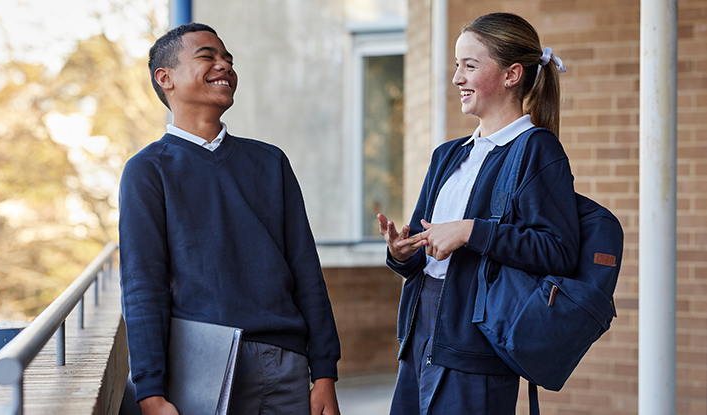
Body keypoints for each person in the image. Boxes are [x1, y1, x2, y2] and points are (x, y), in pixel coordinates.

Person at [118, 22, 341, 415]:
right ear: (164, 78)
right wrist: (150, 392)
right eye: (208, 56)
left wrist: (324, 373)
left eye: (228, 59)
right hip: (203, 367)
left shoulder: (270, 162)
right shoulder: (148, 171)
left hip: (286, 365)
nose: (224, 65)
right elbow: (142, 286)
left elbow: (306, 269)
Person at [377, 12, 579, 414]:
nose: (457, 78)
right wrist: (402, 252)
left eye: (470, 65)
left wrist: (472, 231)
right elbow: (422, 251)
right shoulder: (447, 155)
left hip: (476, 349)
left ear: (511, 75)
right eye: (456, 65)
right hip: (418, 338)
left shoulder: (536, 150)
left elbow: (558, 251)